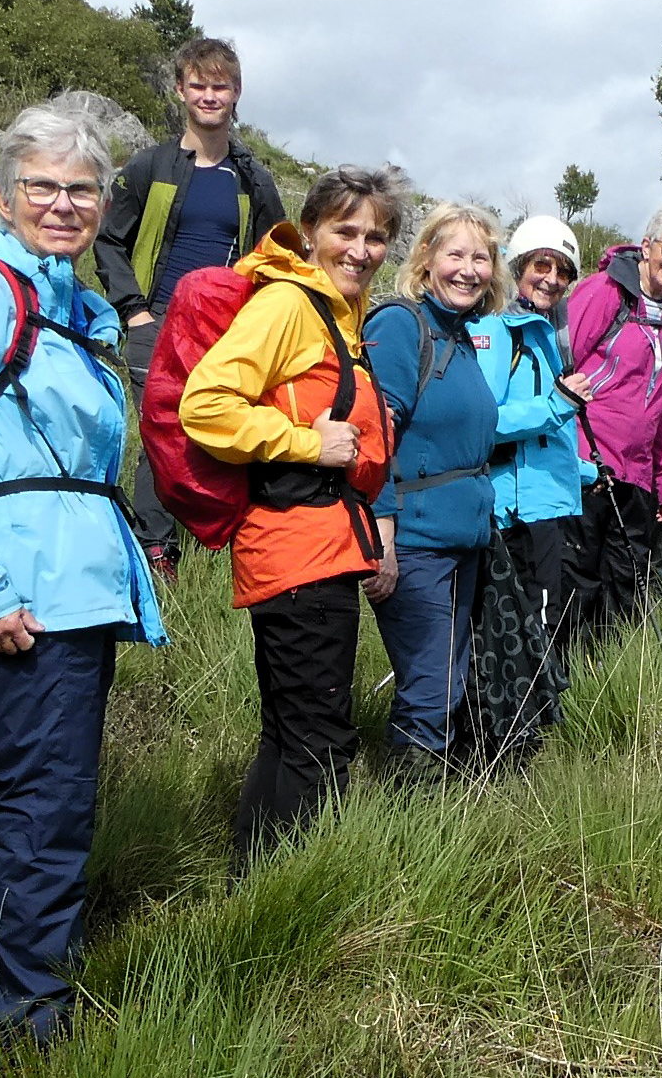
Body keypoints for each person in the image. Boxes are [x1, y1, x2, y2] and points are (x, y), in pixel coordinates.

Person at [0, 103, 165, 1044]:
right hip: (23, 593)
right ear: (1, 196)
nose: (62, 203)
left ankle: (36, 996)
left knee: (59, 803)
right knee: (43, 810)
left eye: (81, 189)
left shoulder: (64, 301)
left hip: (74, 586)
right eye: (42, 186)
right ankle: (25, 1024)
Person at [178, 167, 401, 862]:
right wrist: (310, 442)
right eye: (346, 231)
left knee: (291, 733)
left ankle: (252, 882)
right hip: (300, 552)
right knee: (323, 742)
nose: (361, 249)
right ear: (310, 232)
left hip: (310, 551)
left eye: (377, 237)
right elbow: (204, 404)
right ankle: (291, 898)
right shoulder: (289, 306)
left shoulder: (339, 314)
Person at [99, 37, 287, 575]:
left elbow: (273, 252)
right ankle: (156, 550)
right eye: (198, 85)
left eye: (220, 86)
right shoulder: (149, 166)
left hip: (226, 326)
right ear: (181, 90)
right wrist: (133, 309)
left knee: (224, 426)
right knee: (163, 429)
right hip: (156, 318)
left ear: (237, 93)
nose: (209, 95)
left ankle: (224, 539)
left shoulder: (253, 177)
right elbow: (109, 239)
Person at [363, 200, 506, 768]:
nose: (469, 269)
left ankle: (426, 804)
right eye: (456, 254)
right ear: (425, 260)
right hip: (417, 540)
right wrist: (383, 535)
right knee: (431, 683)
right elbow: (375, 436)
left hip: (462, 538)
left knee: (449, 674)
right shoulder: (402, 326)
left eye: (482, 257)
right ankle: (411, 818)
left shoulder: (463, 337)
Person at [461, 214, 591, 764]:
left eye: (562, 270)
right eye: (543, 265)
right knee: (524, 626)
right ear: (519, 267)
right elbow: (483, 421)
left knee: (542, 622)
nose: (552, 278)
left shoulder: (541, 335)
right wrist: (558, 403)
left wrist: (584, 472)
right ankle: (505, 744)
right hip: (516, 512)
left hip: (546, 503)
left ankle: (517, 737)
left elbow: (548, 437)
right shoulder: (497, 333)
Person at [557, 201, 662, 649]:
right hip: (585, 464)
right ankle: (561, 682)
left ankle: (605, 685)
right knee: (575, 585)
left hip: (636, 475)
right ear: (646, 246)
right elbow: (561, 368)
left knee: (623, 586)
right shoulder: (604, 291)